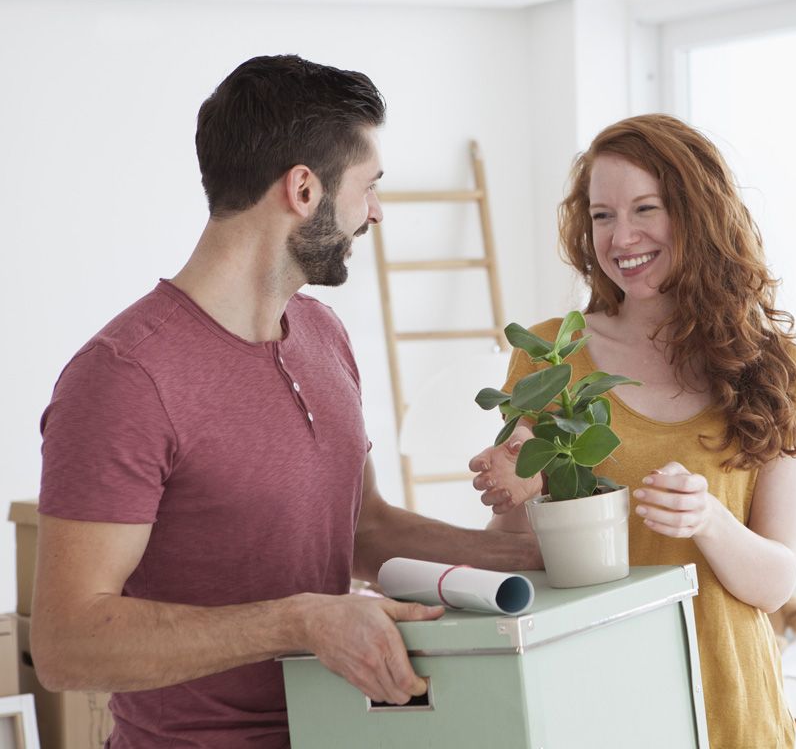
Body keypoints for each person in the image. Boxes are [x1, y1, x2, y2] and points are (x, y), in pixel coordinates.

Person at [32, 55, 540, 749]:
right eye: (369, 187)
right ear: (304, 188)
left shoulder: (323, 335)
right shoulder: (125, 376)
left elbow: (364, 530)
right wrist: (299, 621)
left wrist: (535, 561)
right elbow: (67, 644)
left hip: (346, 733)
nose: (377, 213)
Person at [470, 114, 796, 748]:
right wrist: (514, 492)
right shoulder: (552, 358)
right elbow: (514, 561)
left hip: (733, 708)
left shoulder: (775, 371)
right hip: (593, 703)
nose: (621, 236)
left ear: (697, 213)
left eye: (646, 208)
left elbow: (775, 582)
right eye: (602, 214)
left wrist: (709, 520)